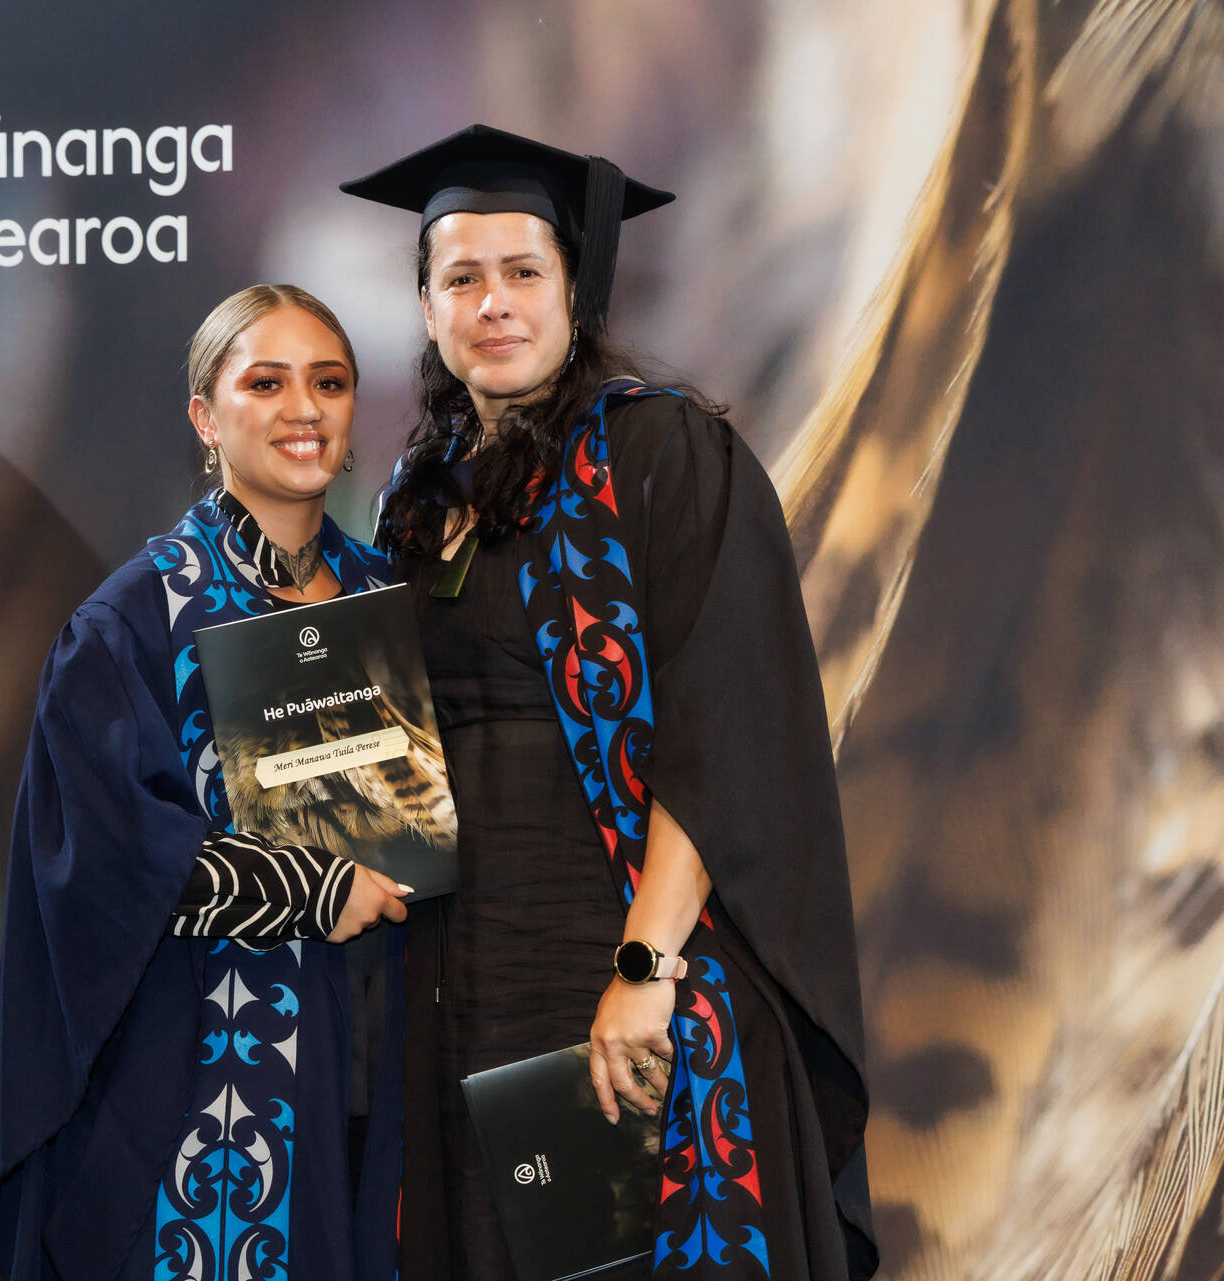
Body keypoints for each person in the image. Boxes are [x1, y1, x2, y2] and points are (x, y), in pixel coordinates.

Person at [342, 126, 879, 1279]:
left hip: (617, 975)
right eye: (461, 278)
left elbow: (721, 731)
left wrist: (641, 973)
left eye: (522, 272)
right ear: (426, 305)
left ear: (573, 292)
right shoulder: (412, 504)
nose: (493, 302)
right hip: (459, 991)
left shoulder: (659, 453)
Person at [0, 284, 411, 1281]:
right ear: (206, 418)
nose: (304, 408)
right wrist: (310, 889)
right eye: (267, 383)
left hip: (372, 1090)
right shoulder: (133, 621)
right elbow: (105, 855)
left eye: (329, 382)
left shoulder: (386, 597)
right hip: (208, 1100)